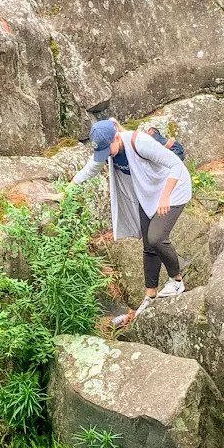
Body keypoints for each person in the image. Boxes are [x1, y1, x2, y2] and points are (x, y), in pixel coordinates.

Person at [72, 118, 192, 317]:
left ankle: (177, 281)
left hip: (173, 190)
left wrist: (165, 197)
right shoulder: (108, 150)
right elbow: (90, 169)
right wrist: (67, 191)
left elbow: (176, 165)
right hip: (149, 196)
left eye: (106, 149)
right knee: (148, 245)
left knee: (156, 238)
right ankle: (150, 296)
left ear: (116, 137)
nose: (105, 155)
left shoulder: (139, 142)